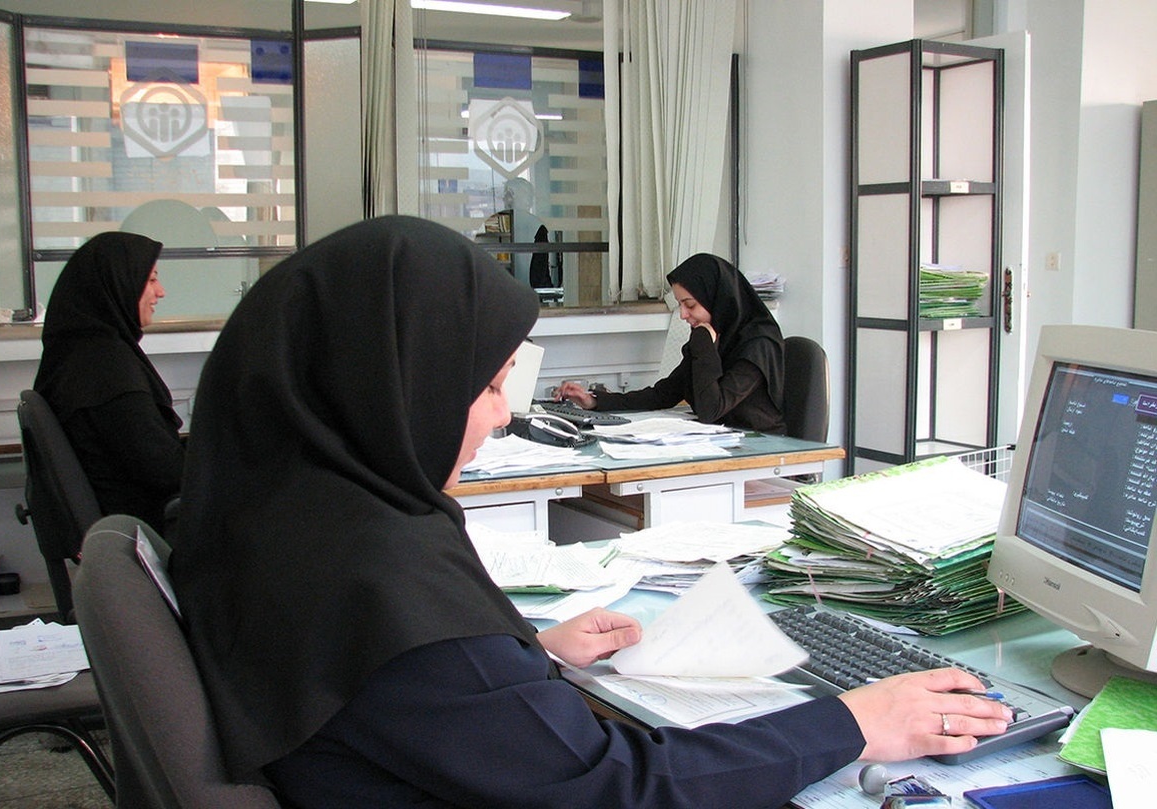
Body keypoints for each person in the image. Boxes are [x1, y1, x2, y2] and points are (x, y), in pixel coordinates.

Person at [169, 216, 1011, 809]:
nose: (501, 414)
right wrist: (851, 721)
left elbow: (393, 686)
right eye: (487, 385)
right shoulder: (383, 592)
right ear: (389, 388)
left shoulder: (273, 517)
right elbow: (623, 786)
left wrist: (522, 651)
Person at [33, 231, 184, 533]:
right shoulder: (106, 371)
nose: (161, 292)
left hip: (124, 520)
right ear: (119, 283)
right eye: (151, 280)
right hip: (147, 527)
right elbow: (166, 472)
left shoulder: (79, 354)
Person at [557, 253, 786, 433]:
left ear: (717, 299)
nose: (683, 315)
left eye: (690, 305)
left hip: (763, 452)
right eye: (680, 305)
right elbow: (662, 394)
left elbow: (710, 409)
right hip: (721, 445)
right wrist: (593, 402)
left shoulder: (758, 345)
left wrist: (703, 342)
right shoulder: (713, 338)